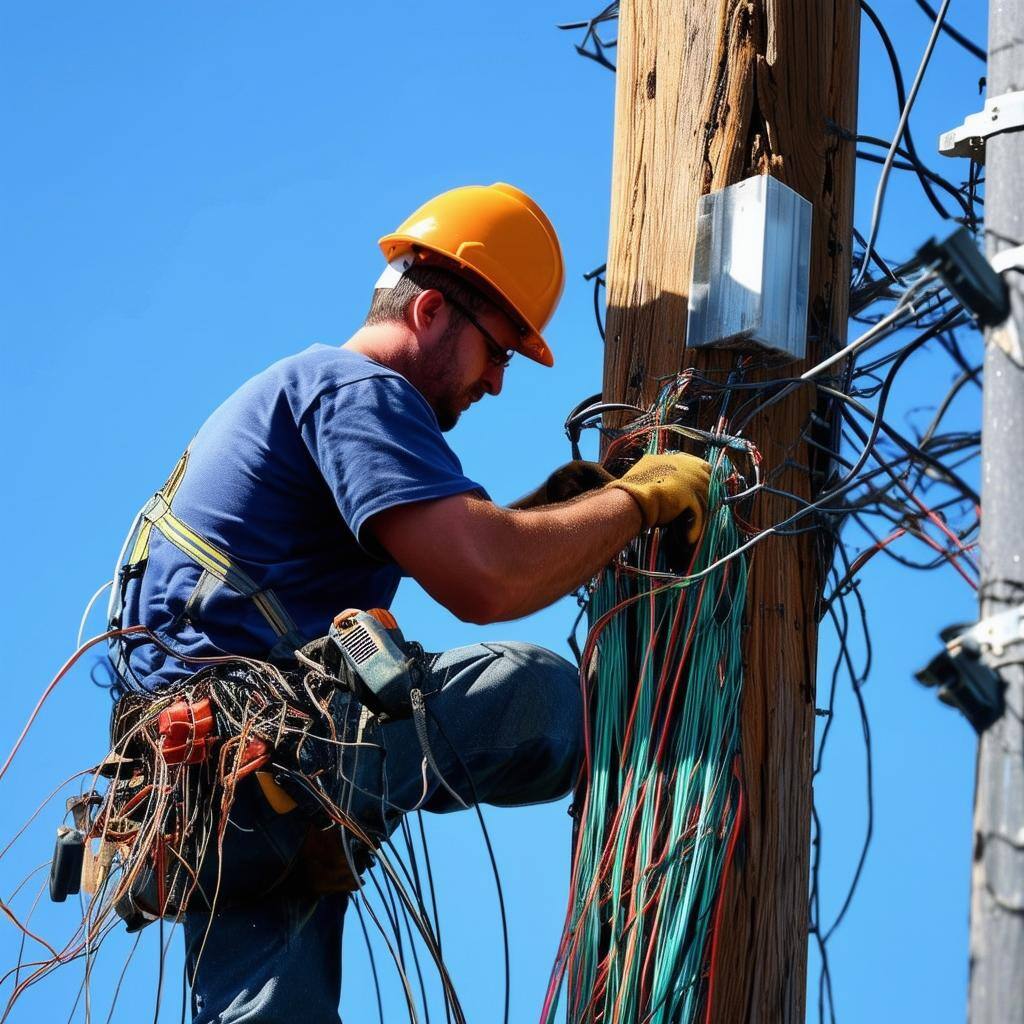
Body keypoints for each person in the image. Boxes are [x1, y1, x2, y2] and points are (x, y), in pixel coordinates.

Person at [108, 182, 710, 1022]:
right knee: (550, 700)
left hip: (207, 807)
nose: (497, 383)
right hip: (272, 757)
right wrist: (639, 501)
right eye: (498, 350)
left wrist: (556, 517)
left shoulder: (295, 393)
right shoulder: (355, 390)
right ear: (431, 311)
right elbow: (484, 579)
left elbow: (469, 547)